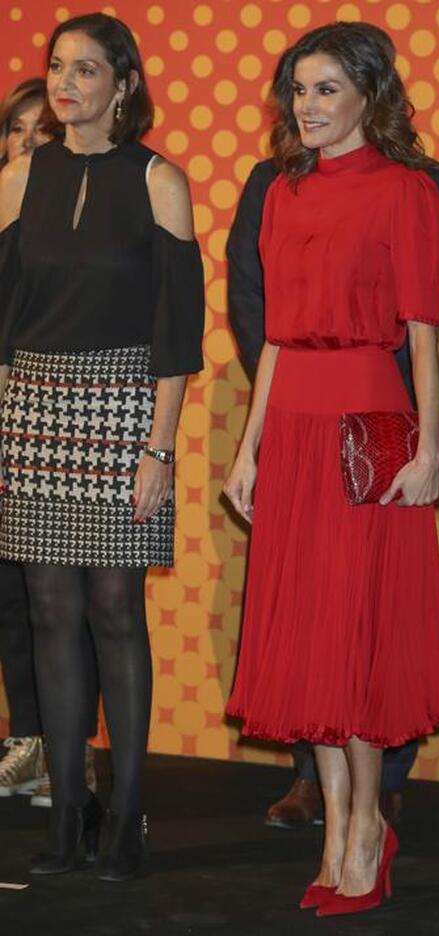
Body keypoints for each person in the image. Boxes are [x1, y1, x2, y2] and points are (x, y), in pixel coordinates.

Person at [224, 22, 439, 916]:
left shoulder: (409, 191)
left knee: (356, 641)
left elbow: (427, 334)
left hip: (367, 423)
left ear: (370, 94)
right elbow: (277, 333)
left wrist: (430, 447)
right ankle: (332, 830)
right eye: (298, 90)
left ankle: (368, 827)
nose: (308, 107)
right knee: (312, 641)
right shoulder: (283, 194)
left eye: (326, 89)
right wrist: (249, 447)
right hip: (292, 427)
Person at [0, 13, 204, 881]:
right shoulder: (14, 178)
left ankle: (125, 816)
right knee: (48, 611)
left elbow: (178, 328)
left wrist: (158, 447)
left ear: (124, 84)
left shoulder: (160, 179)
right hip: (33, 407)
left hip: (125, 406)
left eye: (86, 68)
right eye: (56, 65)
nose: (66, 80)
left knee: (116, 610)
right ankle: (66, 818)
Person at [0, 76, 98, 811]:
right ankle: (26, 746)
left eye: (42, 130)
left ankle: (70, 756)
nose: (29, 142)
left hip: (40, 419)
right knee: (11, 600)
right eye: (17, 129)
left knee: (61, 600)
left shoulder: (68, 227)